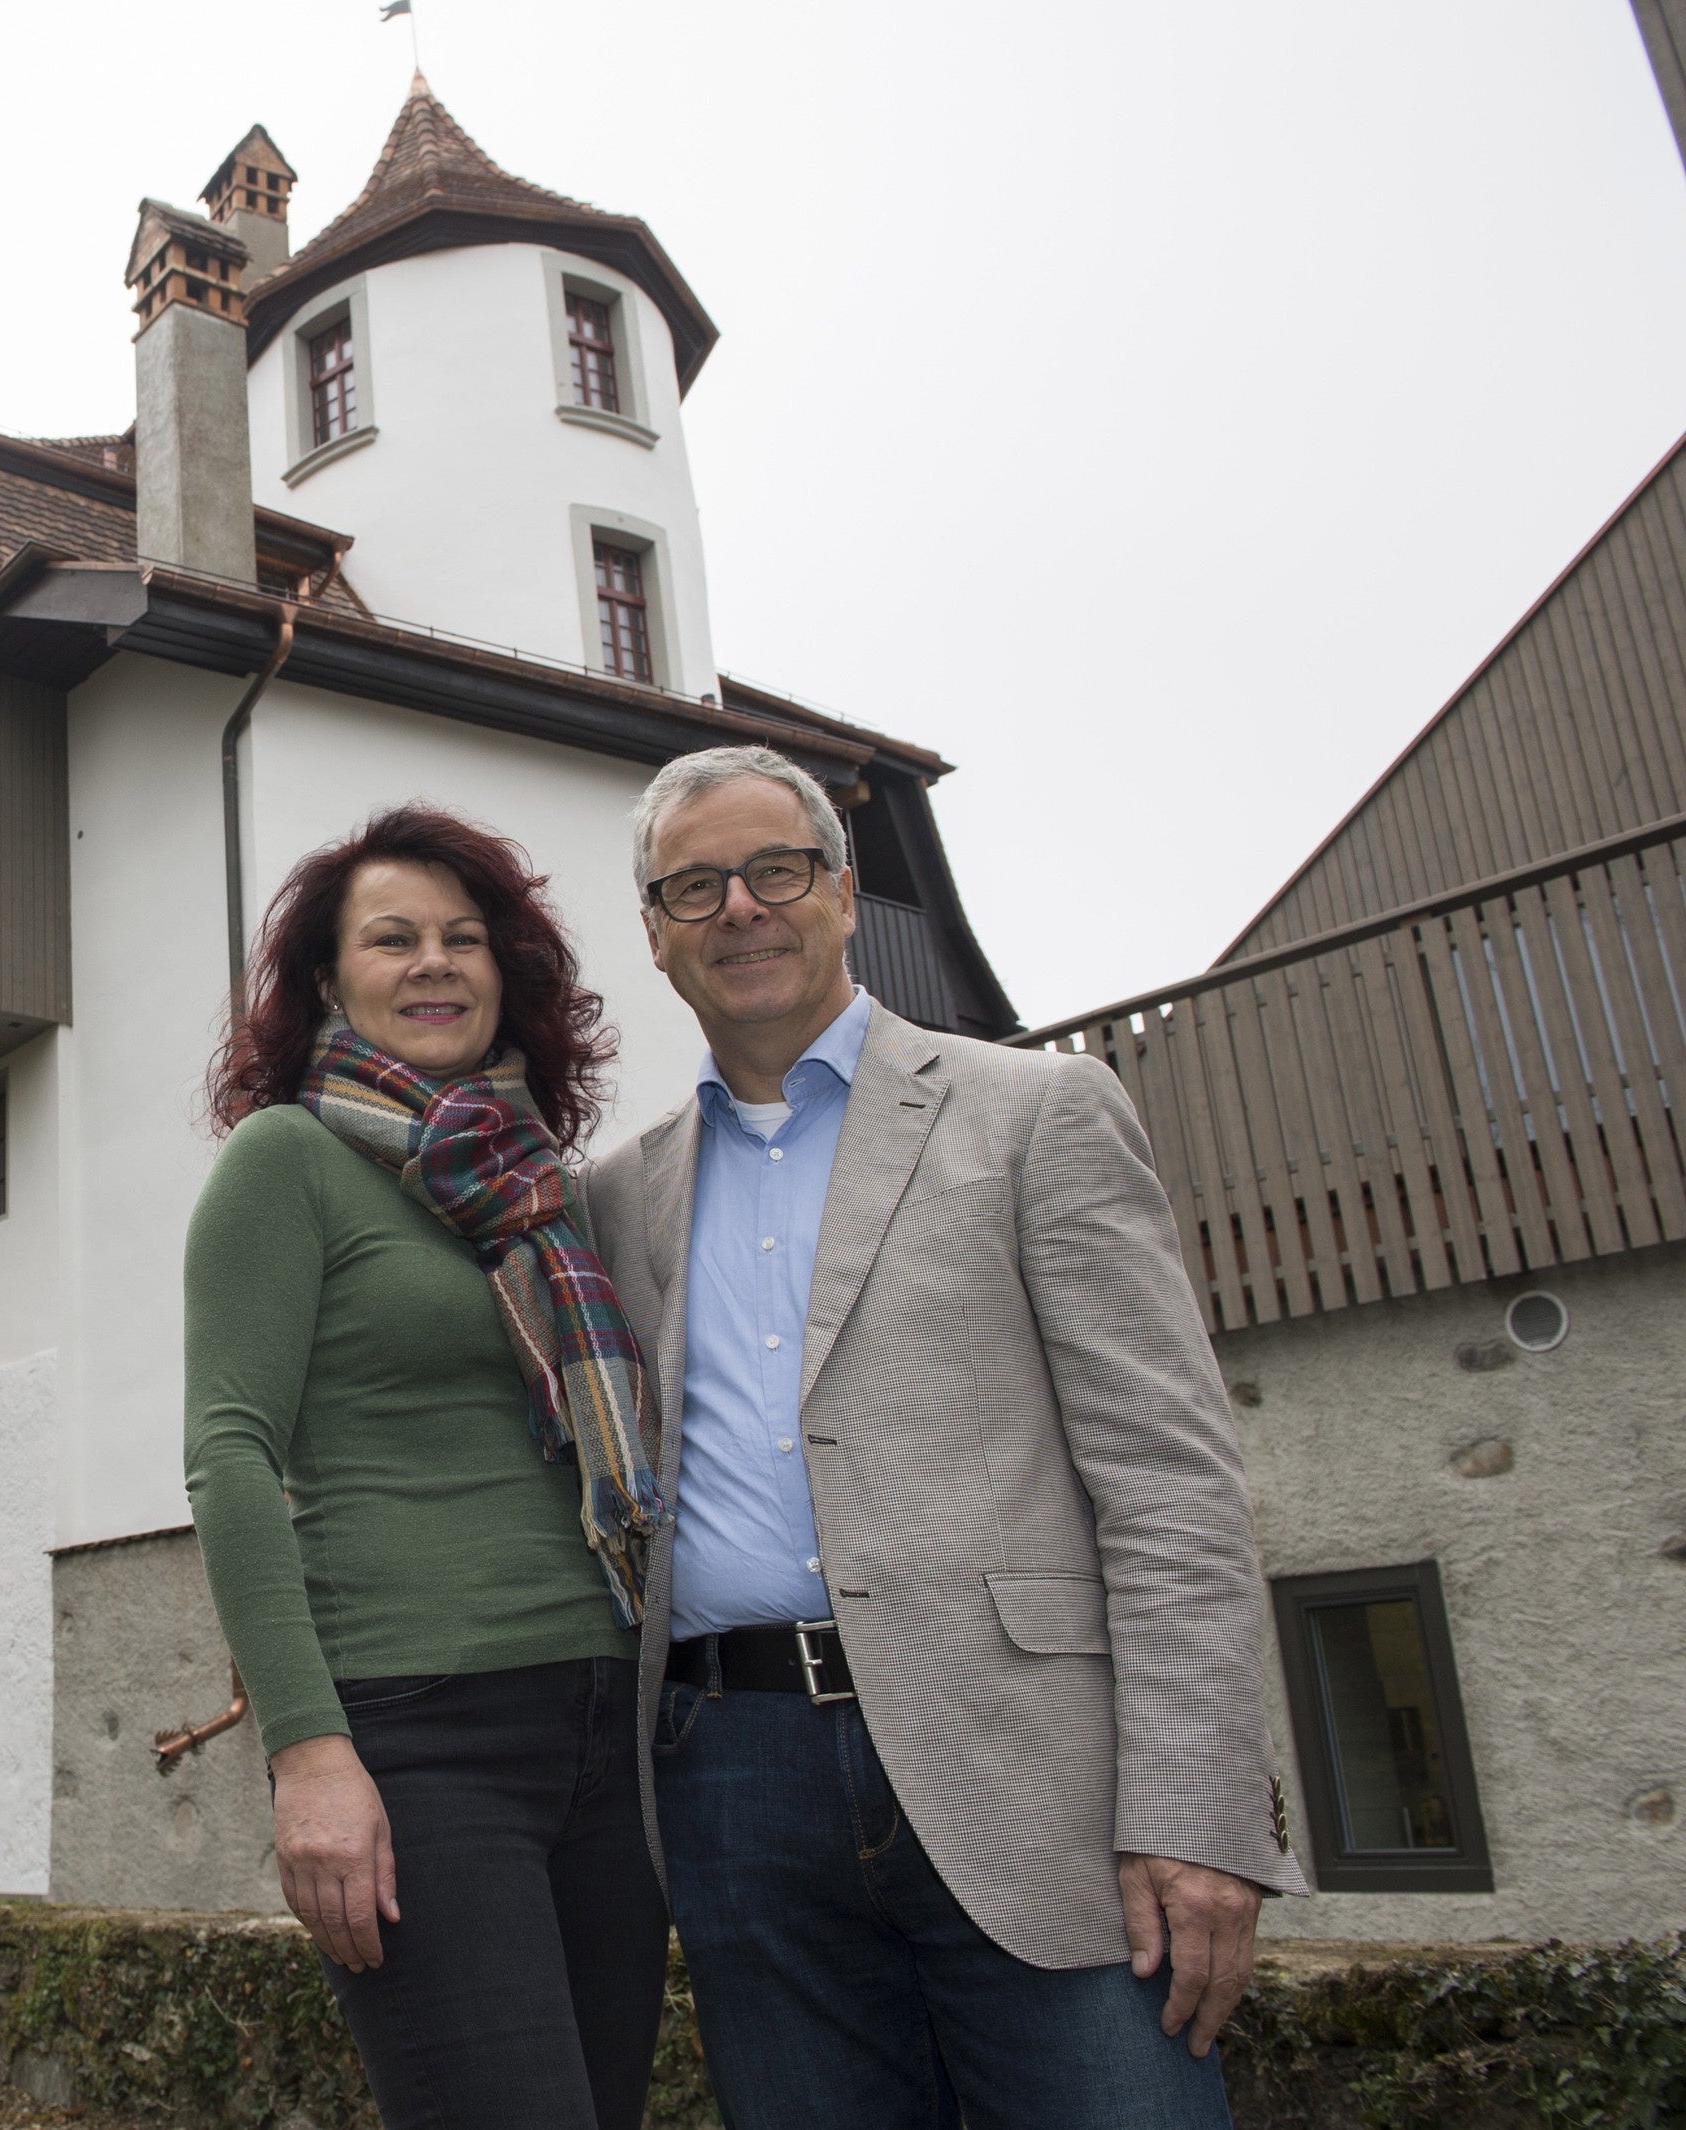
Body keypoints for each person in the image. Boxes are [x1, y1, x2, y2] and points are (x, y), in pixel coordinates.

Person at [584, 744, 1308, 2129]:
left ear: (843, 892)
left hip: (1033, 1771)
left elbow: (1171, 1489)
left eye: (775, 869)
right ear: (657, 935)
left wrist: (1197, 1814)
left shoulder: (1036, 1113)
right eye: (695, 886)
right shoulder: (623, 1194)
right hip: (734, 1776)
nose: (739, 906)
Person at [186, 803, 670, 2130]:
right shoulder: (288, 1158)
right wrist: (309, 1752)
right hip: (422, 1733)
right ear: (330, 981)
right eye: (392, 938)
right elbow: (228, 1457)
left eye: (465, 936)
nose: (436, 961)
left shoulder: (537, 1184)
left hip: (609, 1721)